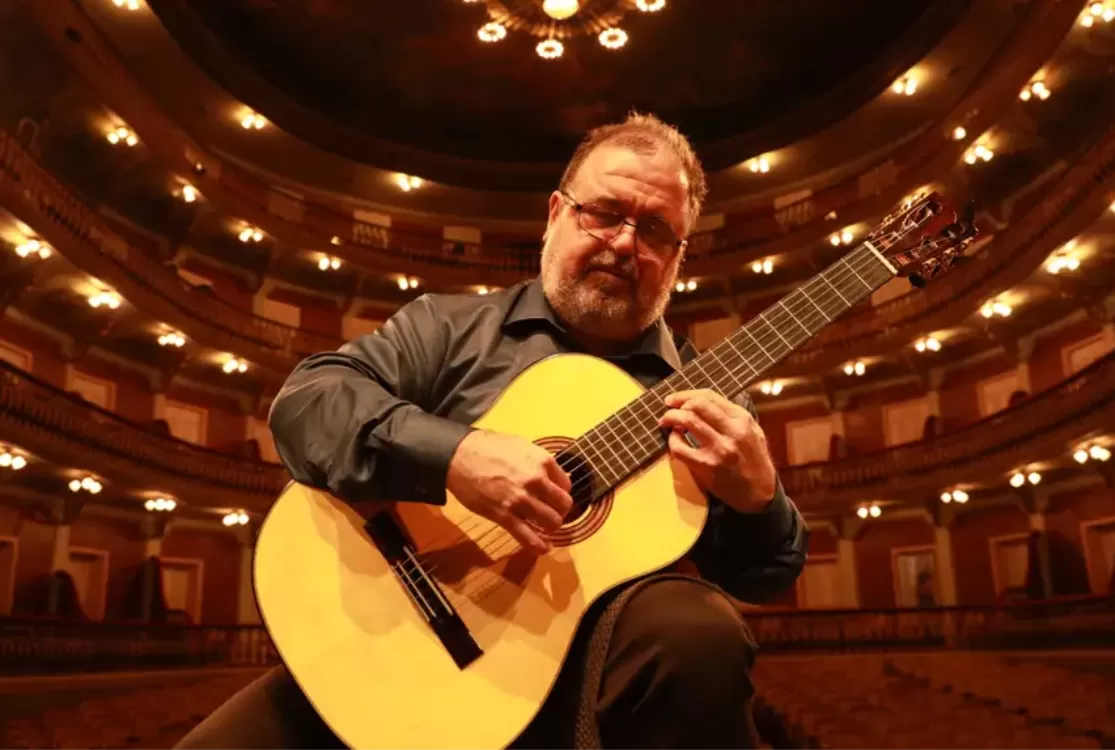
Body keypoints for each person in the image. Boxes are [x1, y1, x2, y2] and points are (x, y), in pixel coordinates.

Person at [176, 112, 808, 750]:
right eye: (604, 212)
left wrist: (760, 500)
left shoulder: (711, 395)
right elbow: (309, 402)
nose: (622, 243)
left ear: (678, 255)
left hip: (598, 668)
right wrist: (456, 455)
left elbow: (764, 575)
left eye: (653, 229)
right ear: (557, 212)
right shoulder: (450, 330)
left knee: (700, 632)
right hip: (388, 643)